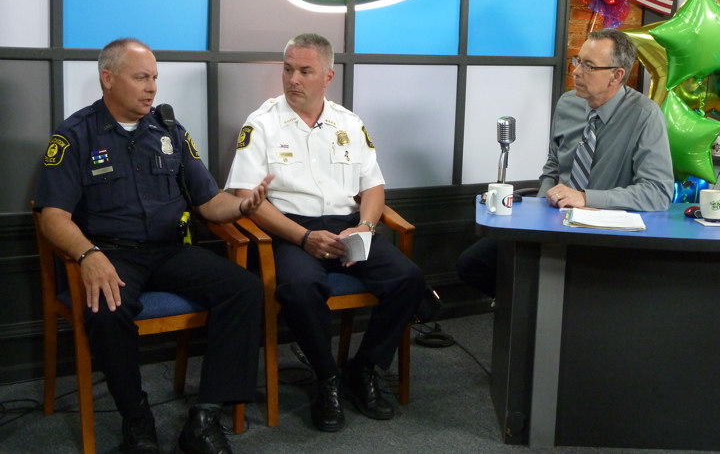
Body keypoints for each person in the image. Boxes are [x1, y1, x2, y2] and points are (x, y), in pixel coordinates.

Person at [34, 38, 274, 454]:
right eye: (141, 77)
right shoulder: (75, 135)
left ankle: (204, 417)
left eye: (155, 78)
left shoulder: (170, 132)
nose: (152, 88)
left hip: (169, 249)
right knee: (107, 306)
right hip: (111, 254)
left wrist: (242, 205)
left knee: (244, 287)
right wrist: (88, 256)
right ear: (107, 79)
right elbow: (52, 215)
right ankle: (136, 417)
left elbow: (208, 202)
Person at [225, 33, 425, 432]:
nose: (292, 79)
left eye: (304, 71)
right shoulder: (262, 123)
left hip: (346, 226)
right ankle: (326, 378)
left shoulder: (348, 123)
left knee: (409, 279)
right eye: (287, 69)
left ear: (328, 76)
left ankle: (363, 369)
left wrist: (365, 228)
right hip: (288, 230)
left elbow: (373, 187)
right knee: (301, 288)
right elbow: (246, 196)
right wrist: (302, 238)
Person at [458, 28, 674, 297]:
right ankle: (524, 313)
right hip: (552, 220)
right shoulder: (568, 103)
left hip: (601, 231)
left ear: (616, 76)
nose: (577, 72)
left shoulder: (645, 115)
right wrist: (537, 209)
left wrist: (586, 197)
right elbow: (553, 164)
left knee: (566, 286)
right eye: (578, 61)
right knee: (472, 264)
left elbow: (658, 192)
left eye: (589, 66)